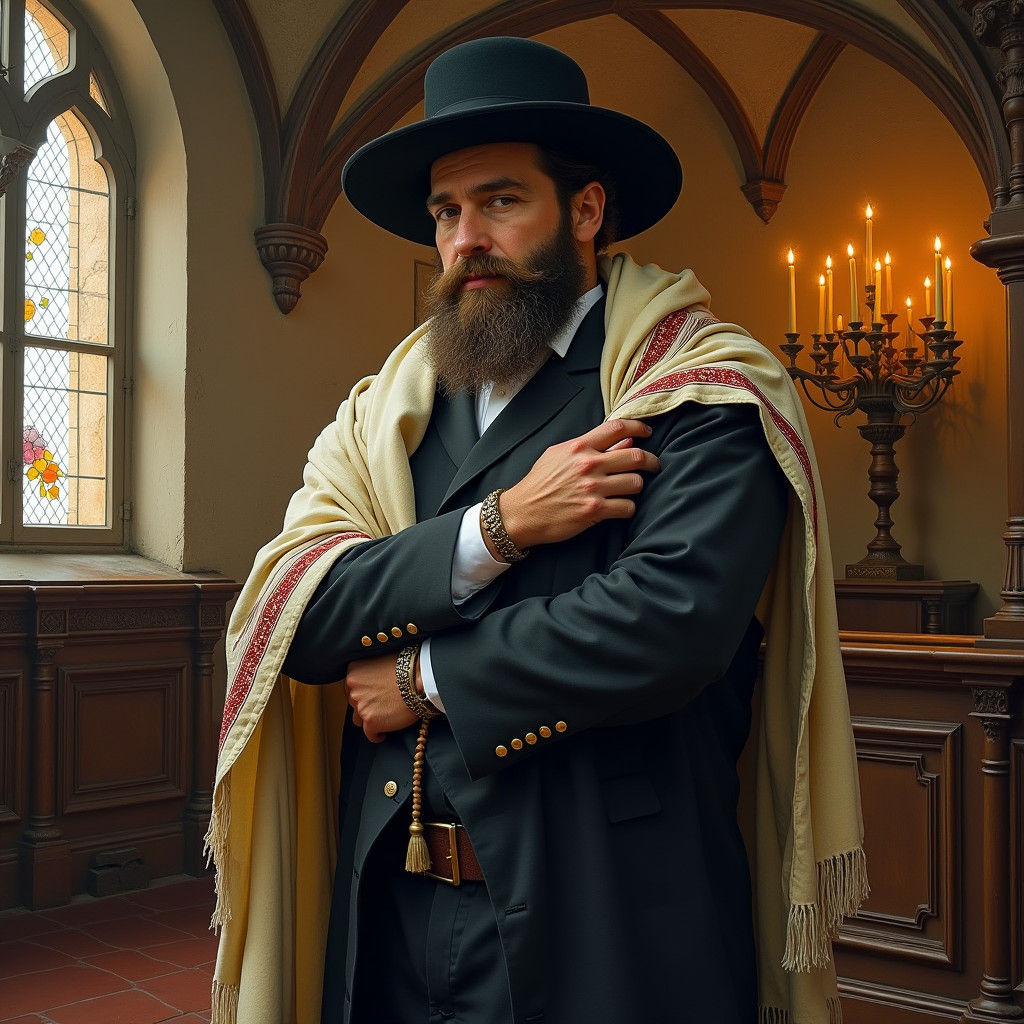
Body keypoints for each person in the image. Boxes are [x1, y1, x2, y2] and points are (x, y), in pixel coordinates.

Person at [207, 36, 866, 1024]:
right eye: (444, 211)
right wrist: (498, 526)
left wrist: (419, 681)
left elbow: (666, 623)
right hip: (391, 911)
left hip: (608, 911)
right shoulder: (384, 412)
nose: (464, 236)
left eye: (500, 201)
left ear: (585, 209)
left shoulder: (699, 386)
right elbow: (294, 617)